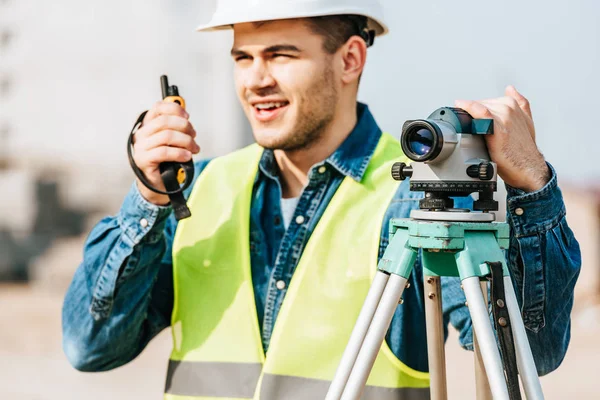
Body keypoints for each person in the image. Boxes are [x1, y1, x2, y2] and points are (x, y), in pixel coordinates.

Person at [62, 1, 581, 399]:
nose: (255, 80)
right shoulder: (197, 190)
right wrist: (148, 200)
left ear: (350, 58)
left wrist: (532, 185)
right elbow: (91, 346)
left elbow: (525, 357)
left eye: (280, 55)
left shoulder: (412, 200)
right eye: (243, 57)